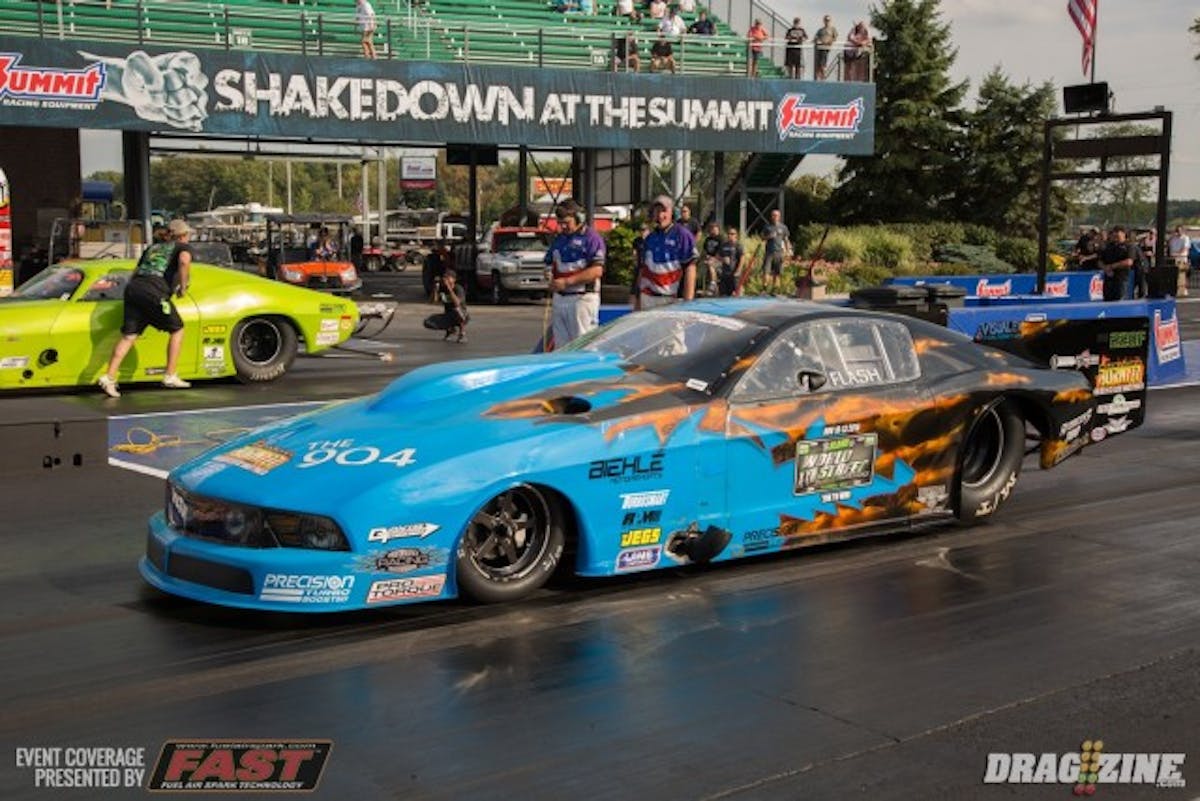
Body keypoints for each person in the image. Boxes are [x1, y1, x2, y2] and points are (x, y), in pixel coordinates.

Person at [97, 219, 194, 397]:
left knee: (129, 335)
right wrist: (184, 284)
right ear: (182, 235)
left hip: (133, 289)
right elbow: (184, 262)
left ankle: (108, 377)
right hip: (154, 291)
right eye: (188, 235)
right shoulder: (182, 247)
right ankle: (170, 375)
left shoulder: (153, 248)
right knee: (177, 328)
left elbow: (136, 271)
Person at [544, 199, 605, 349]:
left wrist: (567, 282)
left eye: (566, 222)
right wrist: (549, 276)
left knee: (583, 346)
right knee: (561, 347)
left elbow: (597, 270)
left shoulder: (591, 238)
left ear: (579, 218)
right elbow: (548, 262)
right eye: (560, 222)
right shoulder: (559, 239)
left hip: (582, 299)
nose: (563, 226)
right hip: (560, 299)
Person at [630, 194, 697, 310]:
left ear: (672, 212)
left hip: (672, 299)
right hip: (648, 298)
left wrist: (688, 302)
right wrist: (637, 297)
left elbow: (690, 268)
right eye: (657, 211)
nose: (661, 215)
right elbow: (642, 270)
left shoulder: (682, 235)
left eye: (664, 211)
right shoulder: (650, 238)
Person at [422, 268, 469, 342]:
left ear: (453, 279)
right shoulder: (442, 288)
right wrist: (435, 289)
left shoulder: (458, 288)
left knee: (457, 310)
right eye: (444, 277)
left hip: (462, 315)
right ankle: (450, 329)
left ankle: (462, 333)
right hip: (448, 315)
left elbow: (457, 303)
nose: (445, 279)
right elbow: (432, 301)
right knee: (428, 322)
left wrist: (449, 289)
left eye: (447, 277)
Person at [1098, 226, 1137, 302]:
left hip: (1121, 279)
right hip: (1108, 279)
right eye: (1114, 233)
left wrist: (1112, 266)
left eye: (1117, 233)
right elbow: (1100, 261)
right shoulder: (1109, 246)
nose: (1115, 235)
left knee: (1119, 299)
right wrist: (1105, 268)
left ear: (1123, 234)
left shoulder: (1129, 246)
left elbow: (1129, 261)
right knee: (1107, 300)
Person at [760, 208, 791, 294]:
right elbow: (762, 238)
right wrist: (769, 236)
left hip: (779, 252)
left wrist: (788, 251)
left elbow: (786, 240)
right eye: (773, 215)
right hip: (769, 252)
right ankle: (764, 289)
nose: (775, 217)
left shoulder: (783, 227)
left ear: (779, 217)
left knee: (777, 273)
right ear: (771, 217)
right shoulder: (767, 226)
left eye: (776, 215)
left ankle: (775, 290)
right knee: (766, 271)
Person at [717, 227, 745, 297]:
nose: (730, 235)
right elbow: (717, 256)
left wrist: (739, 270)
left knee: (736, 293)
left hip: (734, 274)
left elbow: (742, 258)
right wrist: (723, 259)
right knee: (723, 294)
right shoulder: (724, 245)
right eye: (729, 234)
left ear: (736, 235)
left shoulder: (738, 245)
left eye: (732, 234)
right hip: (725, 274)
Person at [1167, 226, 1191, 297]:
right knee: (1173, 276)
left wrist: (1177, 254)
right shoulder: (1173, 239)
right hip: (1173, 259)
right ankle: (1175, 290)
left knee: (1182, 275)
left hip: (1182, 259)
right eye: (1177, 230)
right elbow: (1170, 247)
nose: (1178, 232)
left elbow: (1185, 248)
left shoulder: (1185, 238)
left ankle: (1183, 290)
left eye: (1180, 230)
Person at [700, 221, 722, 295]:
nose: (713, 231)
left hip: (718, 260)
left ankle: (713, 284)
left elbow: (720, 253)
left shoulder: (721, 239)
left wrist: (712, 258)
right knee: (703, 265)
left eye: (715, 229)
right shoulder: (708, 239)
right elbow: (704, 251)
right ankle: (703, 286)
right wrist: (700, 259)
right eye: (712, 229)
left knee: (710, 265)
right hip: (708, 258)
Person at [814, 14, 837, 79]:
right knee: (818, 64)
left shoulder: (832, 29)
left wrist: (829, 42)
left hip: (825, 48)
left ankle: (823, 78)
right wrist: (817, 40)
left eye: (828, 20)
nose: (827, 21)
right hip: (819, 48)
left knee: (822, 64)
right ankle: (818, 78)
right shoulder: (820, 30)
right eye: (826, 20)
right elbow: (816, 37)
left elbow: (834, 38)